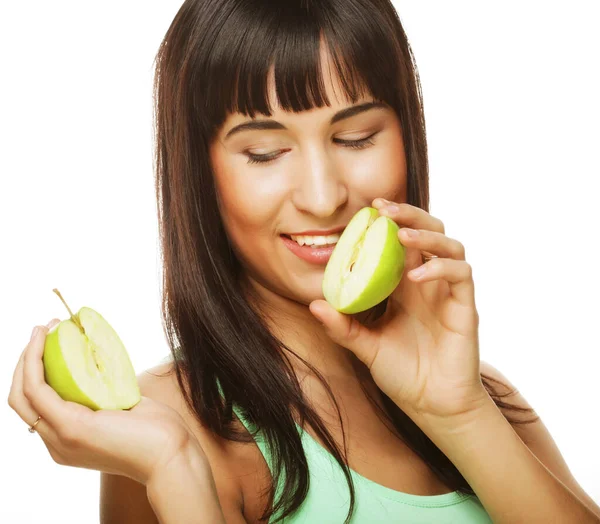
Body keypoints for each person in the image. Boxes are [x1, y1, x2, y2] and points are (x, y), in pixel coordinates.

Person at [8, 1, 600, 523]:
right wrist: (172, 471)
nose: (323, 196)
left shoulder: (475, 389)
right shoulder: (170, 426)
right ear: (200, 174)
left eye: (357, 138)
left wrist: (460, 414)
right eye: (265, 153)